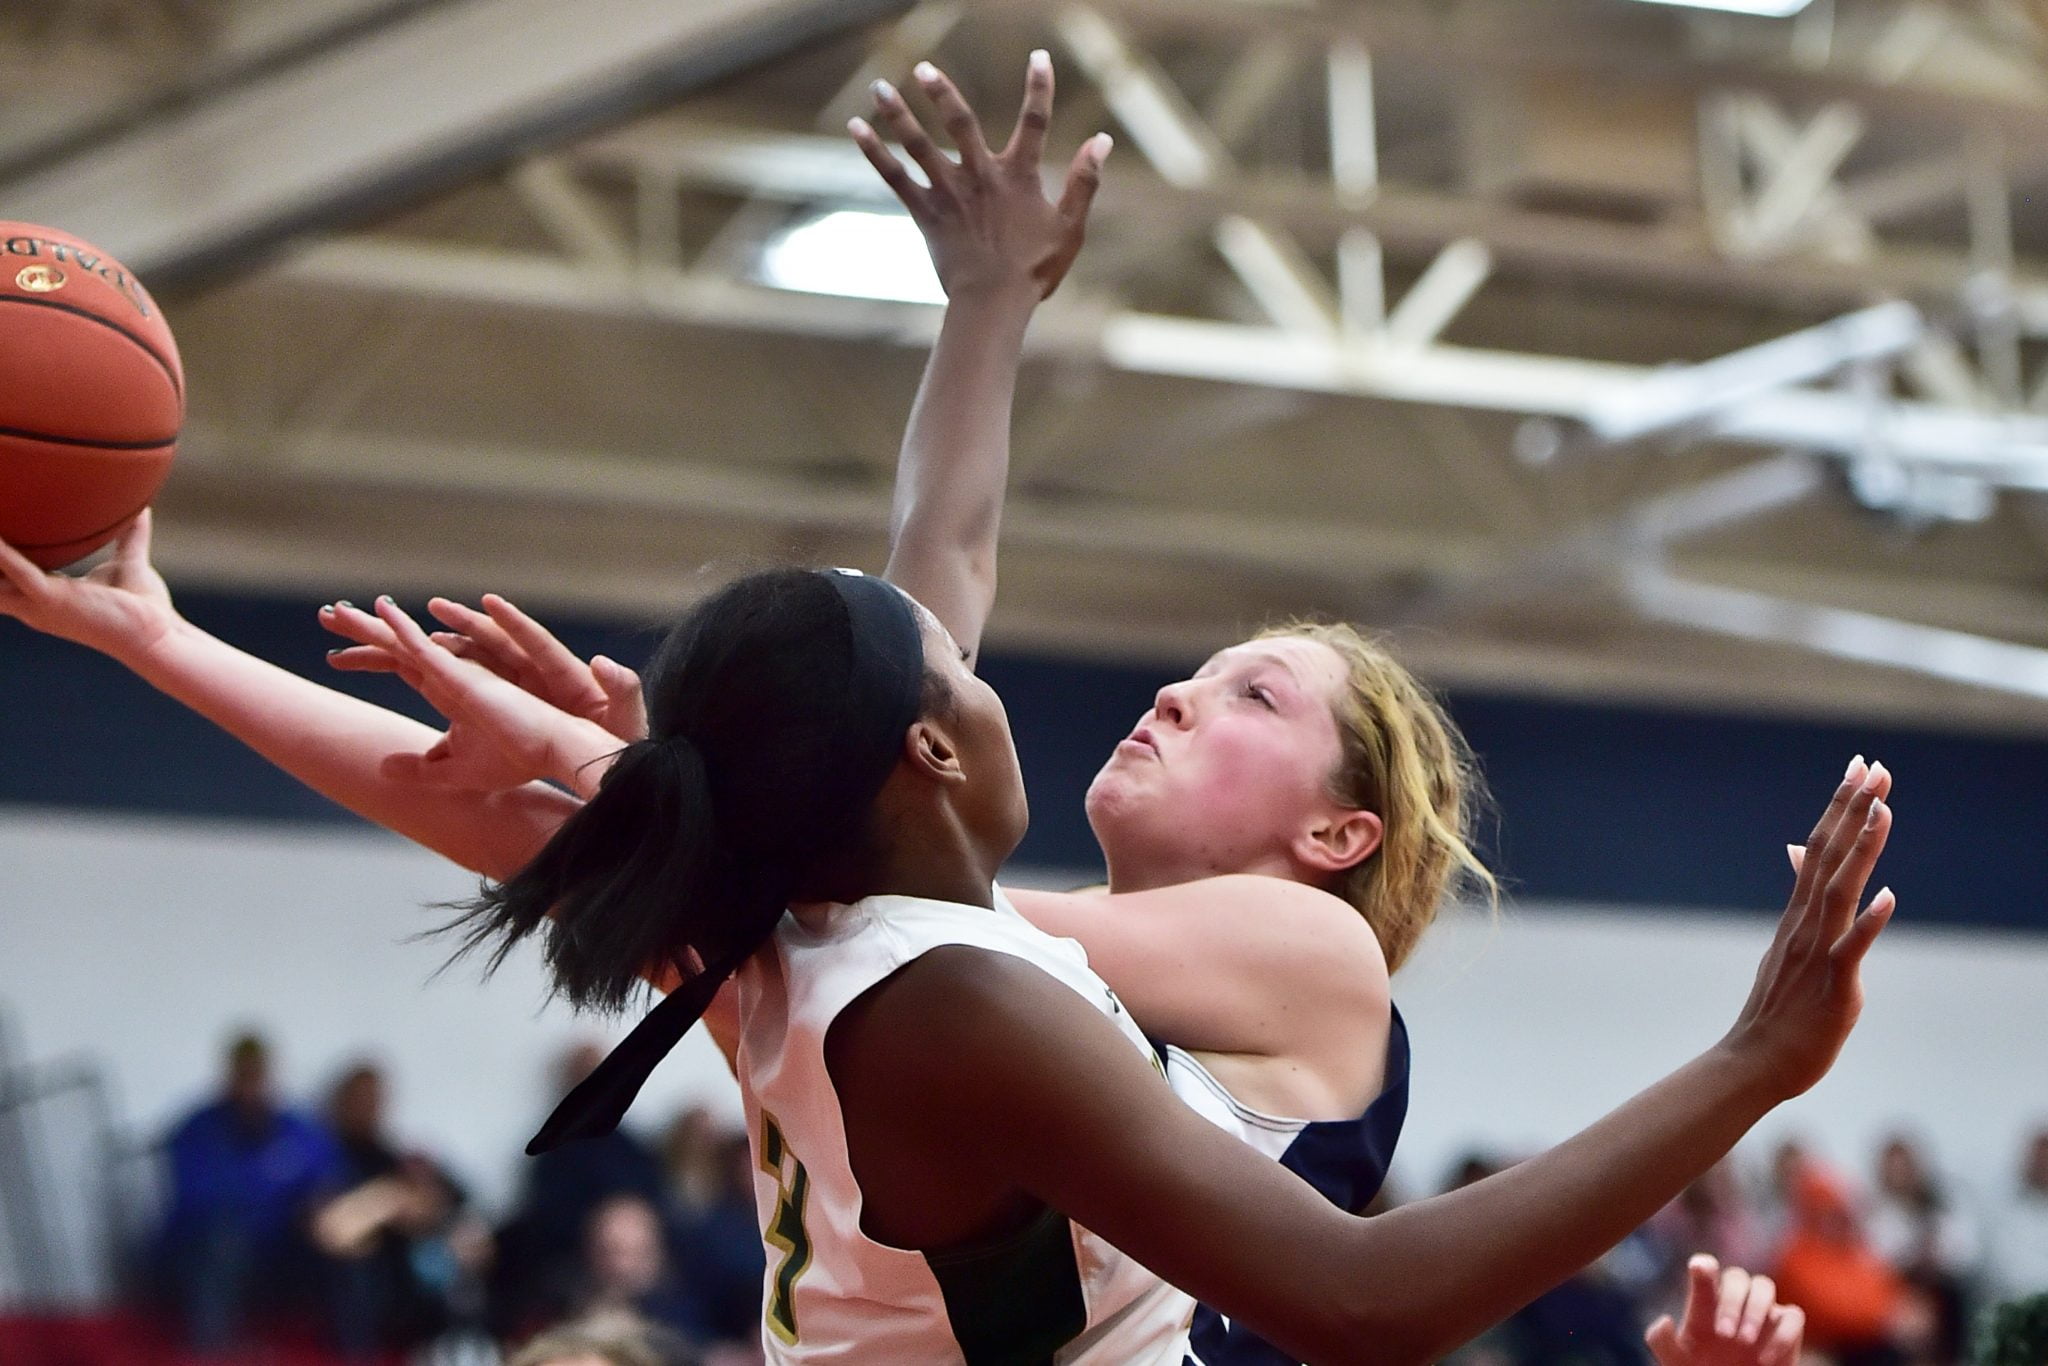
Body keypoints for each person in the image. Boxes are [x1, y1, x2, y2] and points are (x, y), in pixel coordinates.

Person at [0, 53, 1892, 1366]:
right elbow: (889, 632)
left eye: (1245, 693)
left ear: (1340, 838)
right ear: (917, 757)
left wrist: (983, 312)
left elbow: (889, 621)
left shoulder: (1301, 956)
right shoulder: (920, 967)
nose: (1167, 684)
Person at [154, 1031, 347, 1355]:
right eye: (244, 1075)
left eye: (257, 1075)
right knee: (221, 1242)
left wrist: (320, 1209)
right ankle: (213, 1353)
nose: (251, 1086)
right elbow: (196, 1203)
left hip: (283, 1253)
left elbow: (329, 1181)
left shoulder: (297, 1128)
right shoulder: (198, 1130)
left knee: (344, 1244)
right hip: (206, 1253)